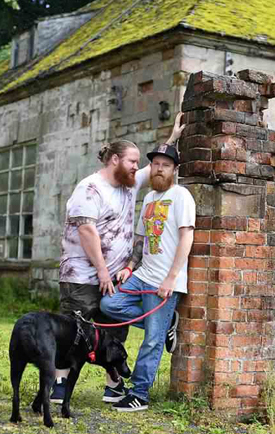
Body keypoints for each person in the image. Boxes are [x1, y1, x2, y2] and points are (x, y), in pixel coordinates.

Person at [53, 113, 185, 404]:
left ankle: (113, 386)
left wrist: (173, 138)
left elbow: (157, 166)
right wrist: (102, 272)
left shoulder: (129, 183)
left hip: (114, 277)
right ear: (114, 160)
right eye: (132, 161)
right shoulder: (90, 188)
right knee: (72, 331)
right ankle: (59, 385)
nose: (138, 168)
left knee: (112, 333)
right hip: (82, 277)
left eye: (138, 163)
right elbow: (87, 232)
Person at [99, 141, 196, 412]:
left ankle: (139, 393)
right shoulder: (150, 199)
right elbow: (141, 240)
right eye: (155, 164)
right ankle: (166, 323)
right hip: (142, 275)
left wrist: (171, 278)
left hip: (163, 282)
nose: (159, 169)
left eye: (165, 165)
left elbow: (186, 238)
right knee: (109, 304)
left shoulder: (181, 196)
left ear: (174, 169)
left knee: (152, 340)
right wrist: (130, 266)